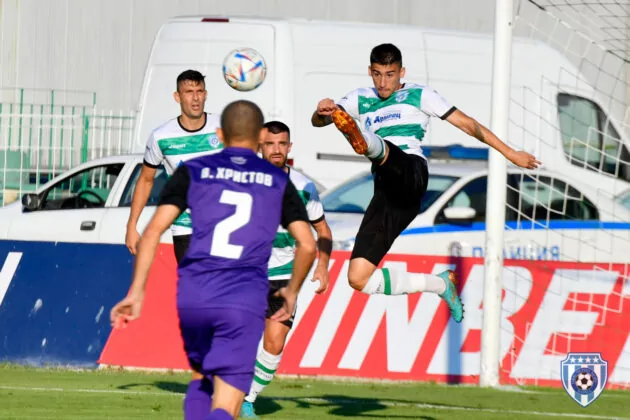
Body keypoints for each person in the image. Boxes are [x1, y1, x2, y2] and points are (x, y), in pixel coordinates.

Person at [110, 100, 317, 420]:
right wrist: (292, 289)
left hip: (201, 291)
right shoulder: (276, 181)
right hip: (244, 292)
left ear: (220, 136)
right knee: (228, 399)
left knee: (204, 378)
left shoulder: (193, 171)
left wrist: (136, 292)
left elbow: (152, 232)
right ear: (258, 139)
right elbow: (307, 245)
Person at [312, 43, 541, 323]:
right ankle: (441, 284)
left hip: (412, 171)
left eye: (390, 75)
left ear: (402, 72)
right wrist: (322, 111)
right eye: (378, 74)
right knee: (358, 277)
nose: (383, 83)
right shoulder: (360, 98)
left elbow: (468, 124)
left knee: (384, 152)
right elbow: (317, 122)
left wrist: (509, 153)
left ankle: (364, 141)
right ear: (370, 72)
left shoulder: (420, 95)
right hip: (387, 192)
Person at [240, 121, 333, 418]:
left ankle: (248, 398)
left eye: (282, 144)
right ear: (260, 146)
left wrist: (323, 264)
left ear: (289, 147)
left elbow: (323, 230)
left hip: (282, 276)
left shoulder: (304, 188)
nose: (276, 150)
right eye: (270, 144)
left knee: (274, 343)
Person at [125, 69, 223, 263]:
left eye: (199, 91)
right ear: (177, 97)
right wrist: (131, 225)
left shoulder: (223, 127)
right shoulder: (161, 137)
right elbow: (145, 180)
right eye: (189, 92)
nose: (195, 98)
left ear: (206, 94)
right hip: (185, 227)